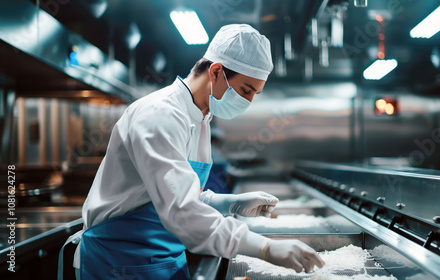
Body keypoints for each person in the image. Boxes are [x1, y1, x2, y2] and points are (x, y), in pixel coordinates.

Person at [59, 24, 325, 280]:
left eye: (255, 93)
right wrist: (265, 248)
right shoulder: (160, 116)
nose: (248, 101)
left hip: (161, 259)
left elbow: (176, 195)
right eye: (246, 90)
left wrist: (228, 203)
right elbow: (180, 211)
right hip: (119, 262)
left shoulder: (199, 119)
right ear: (217, 72)